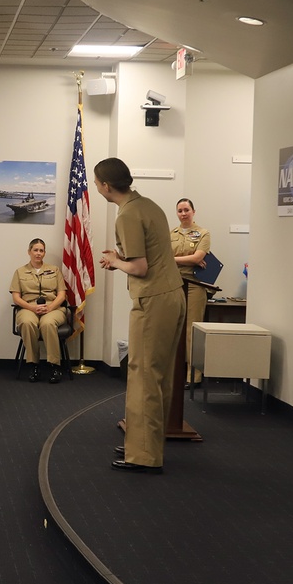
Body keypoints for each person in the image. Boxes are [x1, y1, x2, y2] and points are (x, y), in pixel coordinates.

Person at [95, 157, 185, 474]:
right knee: (158, 375)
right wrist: (122, 258)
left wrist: (115, 262)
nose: (97, 188)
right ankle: (145, 442)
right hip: (172, 294)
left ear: (105, 186)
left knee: (143, 375)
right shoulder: (148, 205)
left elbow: (140, 267)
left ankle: (144, 454)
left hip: (153, 300)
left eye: (97, 183)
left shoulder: (128, 215)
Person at [9, 238, 69, 384]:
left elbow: (62, 295)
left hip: (53, 307)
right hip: (28, 307)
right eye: (35, 250)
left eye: (41, 250)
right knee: (27, 322)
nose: (38, 253)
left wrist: (50, 307)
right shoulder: (20, 272)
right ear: (29, 252)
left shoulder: (54, 270)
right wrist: (32, 308)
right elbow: (16, 298)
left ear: (44, 253)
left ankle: (55, 366)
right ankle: (33, 366)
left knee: (47, 323)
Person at [172, 197, 212, 388]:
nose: (183, 213)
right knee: (173, 330)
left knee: (191, 331)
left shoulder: (203, 233)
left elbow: (198, 257)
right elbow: (162, 256)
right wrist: (189, 259)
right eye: (180, 210)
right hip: (173, 285)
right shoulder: (171, 233)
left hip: (194, 285)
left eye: (186, 210)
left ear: (193, 212)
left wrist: (175, 259)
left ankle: (193, 376)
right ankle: (175, 373)